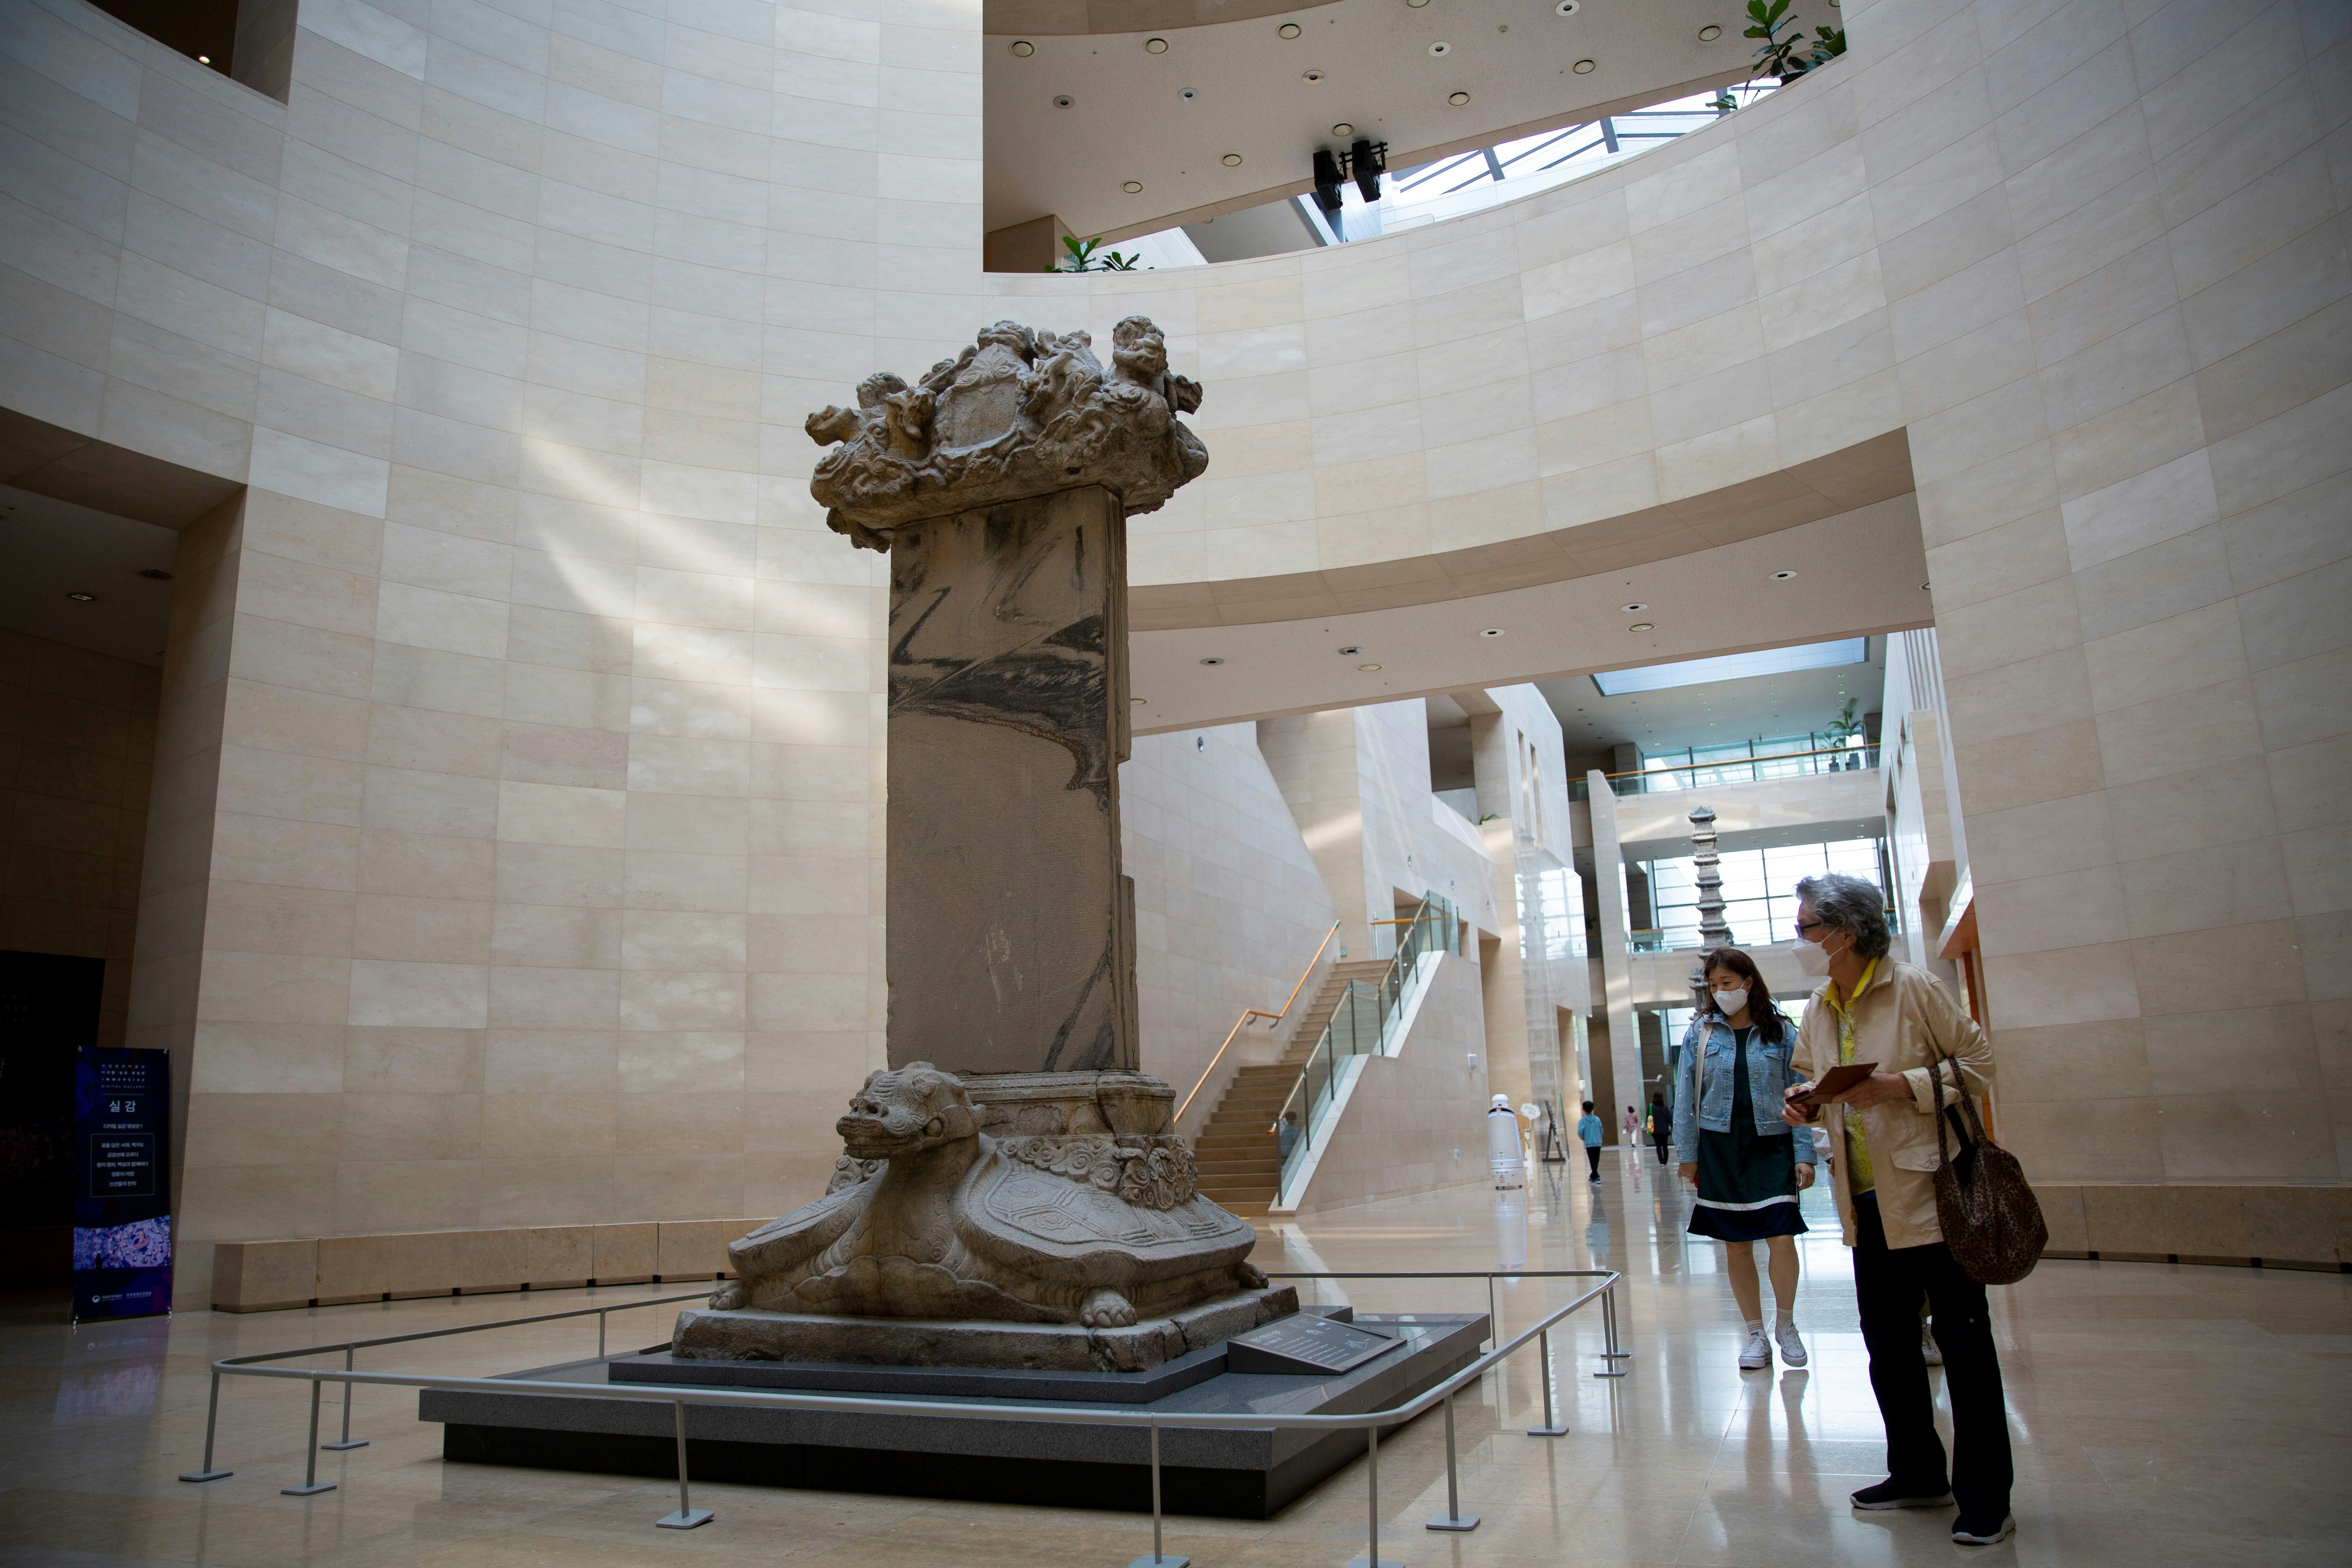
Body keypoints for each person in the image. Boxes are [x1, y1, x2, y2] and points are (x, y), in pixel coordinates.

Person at [1779, 872, 2012, 1547]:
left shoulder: (1913, 987)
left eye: (1805, 929)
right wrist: (1805, 1101)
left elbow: (1978, 1063)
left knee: (1964, 1346)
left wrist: (1897, 1087)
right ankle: (1917, 1473)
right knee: (1888, 1347)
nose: (1799, 941)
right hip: (1865, 1202)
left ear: (1845, 932)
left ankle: (1985, 1498)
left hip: (1934, 1195)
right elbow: (1811, 1079)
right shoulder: (1821, 1006)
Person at [1675, 947, 1817, 1371]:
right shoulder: (1700, 1034)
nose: (1721, 993)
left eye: (1728, 984)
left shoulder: (1781, 1033)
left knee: (1781, 1237)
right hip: (1720, 1147)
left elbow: (1802, 1094)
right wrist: (1688, 1155)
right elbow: (1686, 1096)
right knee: (1737, 1247)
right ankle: (1755, 1333)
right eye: (1714, 986)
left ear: (1748, 983)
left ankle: (1786, 1326)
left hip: (1772, 1144)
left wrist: (1804, 1153)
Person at [1486, 1093, 1525, 1189]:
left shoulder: (1491, 1114)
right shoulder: (1510, 1114)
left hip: (1495, 1161)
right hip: (1514, 1161)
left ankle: (1500, 1183)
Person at [1575, 1100, 1604, 1180]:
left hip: (1589, 1143)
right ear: (1593, 1108)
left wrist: (1584, 1138)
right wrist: (1599, 1137)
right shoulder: (1597, 1119)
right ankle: (1594, 1175)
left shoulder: (1583, 1121)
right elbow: (1601, 1130)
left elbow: (1580, 1132)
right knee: (1596, 1160)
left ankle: (1596, 1176)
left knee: (1592, 1160)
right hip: (1598, 1143)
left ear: (1583, 1109)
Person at [1648, 1091, 1673, 1163]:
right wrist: (1672, 1127)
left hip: (1655, 1131)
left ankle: (1661, 1162)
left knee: (1658, 1146)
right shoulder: (1665, 1107)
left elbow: (1649, 1118)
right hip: (1665, 1130)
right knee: (1665, 1146)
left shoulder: (1651, 1107)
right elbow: (1669, 1118)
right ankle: (1665, 1161)